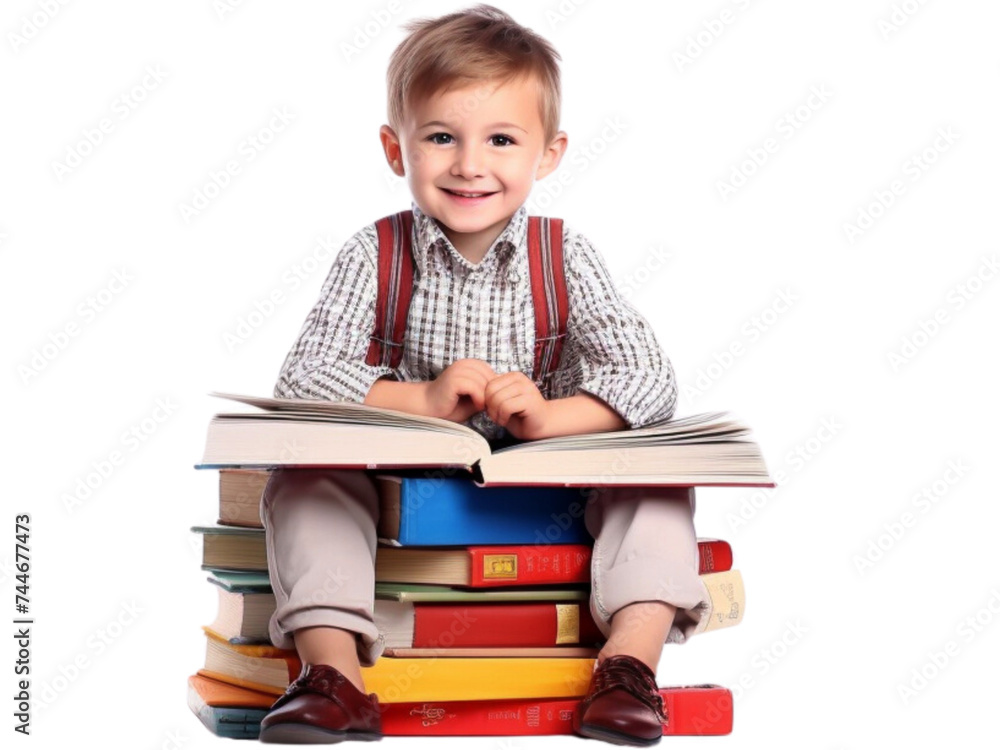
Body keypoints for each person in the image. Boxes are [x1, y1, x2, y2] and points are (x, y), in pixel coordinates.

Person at [257, 5, 710, 746]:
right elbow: (304, 376)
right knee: (303, 479)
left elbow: (649, 377)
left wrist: (548, 419)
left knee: (656, 485)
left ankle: (629, 669)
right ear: (395, 149)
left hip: (547, 486)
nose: (470, 164)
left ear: (549, 153)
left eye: (501, 140)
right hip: (399, 487)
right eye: (441, 137)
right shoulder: (375, 254)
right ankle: (334, 676)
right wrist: (421, 400)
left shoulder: (564, 255)